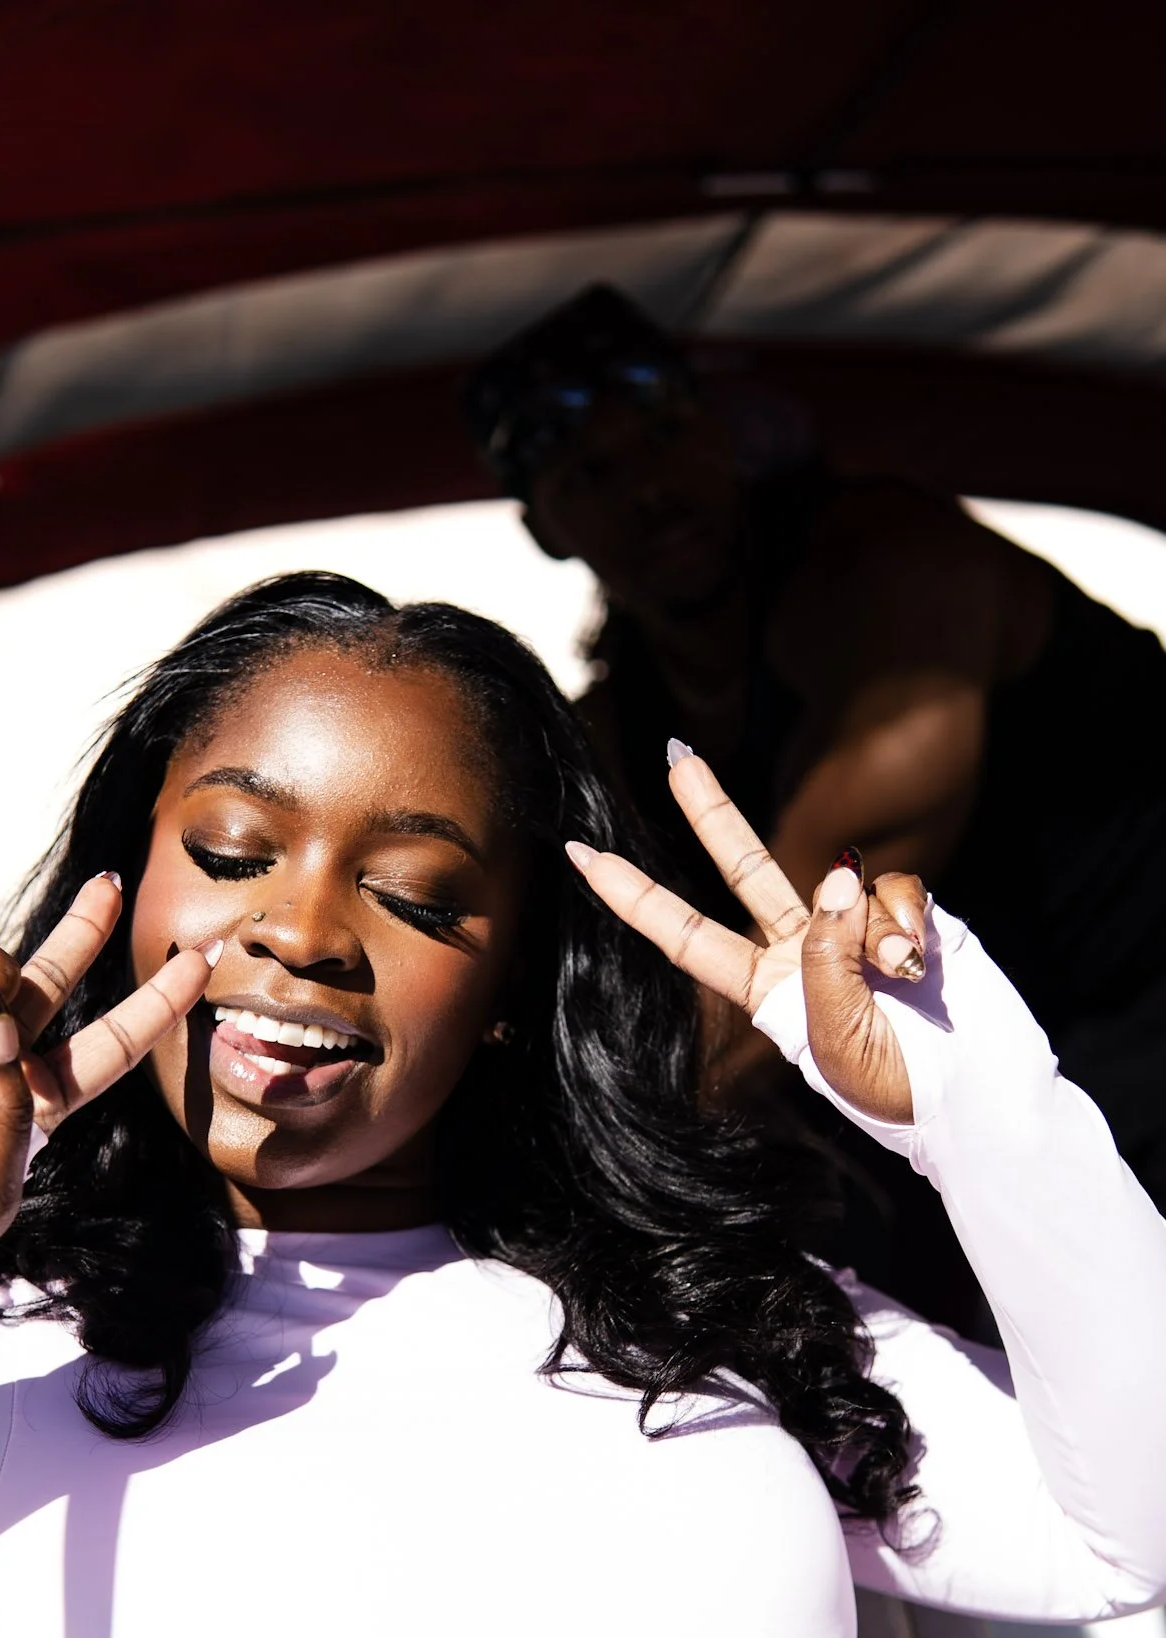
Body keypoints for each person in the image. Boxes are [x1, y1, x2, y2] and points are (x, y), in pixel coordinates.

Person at [0, 571, 1164, 1638]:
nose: (305, 930)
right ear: (130, 885)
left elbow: (1123, 1530)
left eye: (415, 892)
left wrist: (971, 1108)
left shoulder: (681, 1303)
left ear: (513, 982)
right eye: (233, 848)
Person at [462, 287, 1166, 1251]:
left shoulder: (894, 570)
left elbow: (808, 944)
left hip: (1131, 1021)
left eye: (663, 435)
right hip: (967, 1096)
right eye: (590, 472)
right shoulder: (622, 719)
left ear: (722, 435)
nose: (647, 488)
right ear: (545, 526)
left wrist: (591, 1165)